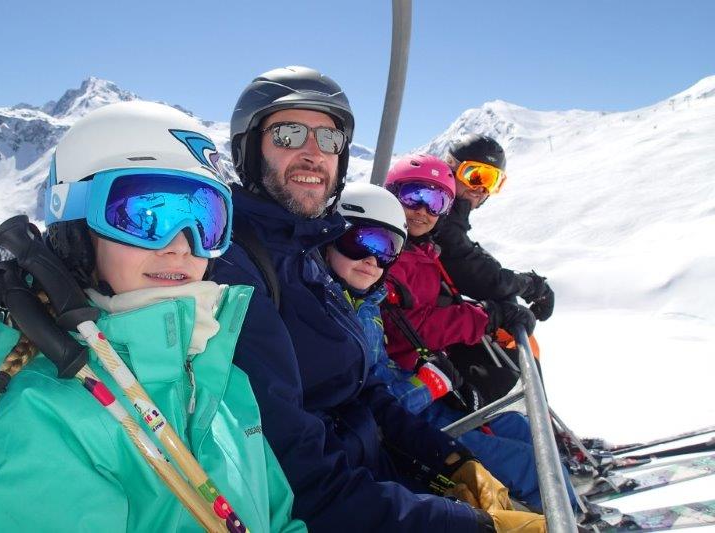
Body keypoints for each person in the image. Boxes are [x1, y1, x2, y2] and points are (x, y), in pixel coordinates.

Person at [0, 101, 304, 533]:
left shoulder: (218, 373)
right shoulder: (40, 423)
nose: (181, 245)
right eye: (145, 216)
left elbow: (278, 517)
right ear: (77, 233)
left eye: (205, 220)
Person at [211, 65, 546, 532]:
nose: (313, 153)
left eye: (329, 140)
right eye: (289, 134)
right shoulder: (235, 266)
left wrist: (450, 462)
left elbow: (363, 391)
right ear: (248, 146)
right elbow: (298, 472)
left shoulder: (306, 256)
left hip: (376, 477)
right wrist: (461, 524)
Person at [328, 181, 569, 512]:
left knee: (517, 425)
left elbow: (383, 371)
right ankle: (566, 518)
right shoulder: (334, 314)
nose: (372, 260)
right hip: (405, 428)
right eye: (360, 241)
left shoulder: (368, 300)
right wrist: (427, 384)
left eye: (386, 250)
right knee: (525, 462)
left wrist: (432, 375)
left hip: (419, 406)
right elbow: (368, 406)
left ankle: (568, 502)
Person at [433, 134, 555, 322]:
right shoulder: (434, 215)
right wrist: (532, 285)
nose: (481, 188)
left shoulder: (449, 216)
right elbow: (484, 280)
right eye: (474, 175)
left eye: (491, 180)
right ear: (451, 169)